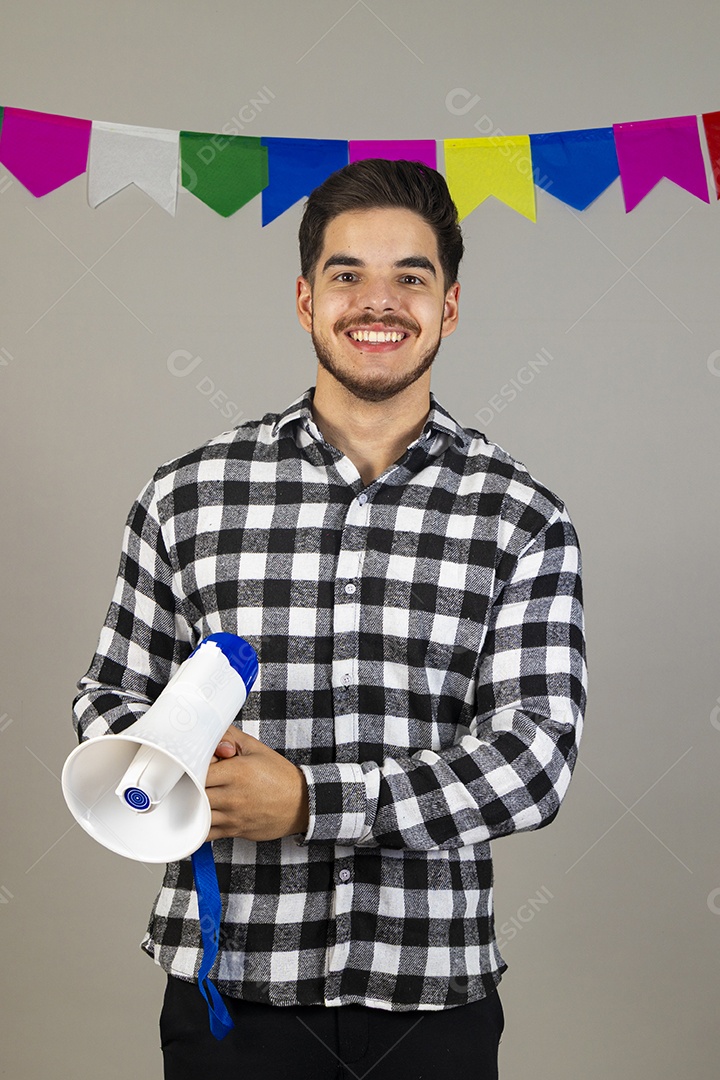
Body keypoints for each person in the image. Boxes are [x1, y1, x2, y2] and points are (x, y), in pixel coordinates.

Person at [73, 158, 587, 1079]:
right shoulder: (187, 493)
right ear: (306, 299)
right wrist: (183, 760)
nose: (376, 303)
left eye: (410, 278)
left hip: (431, 998)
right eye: (348, 274)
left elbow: (533, 759)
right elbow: (111, 692)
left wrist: (311, 803)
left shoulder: (524, 515)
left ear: (451, 305)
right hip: (230, 990)